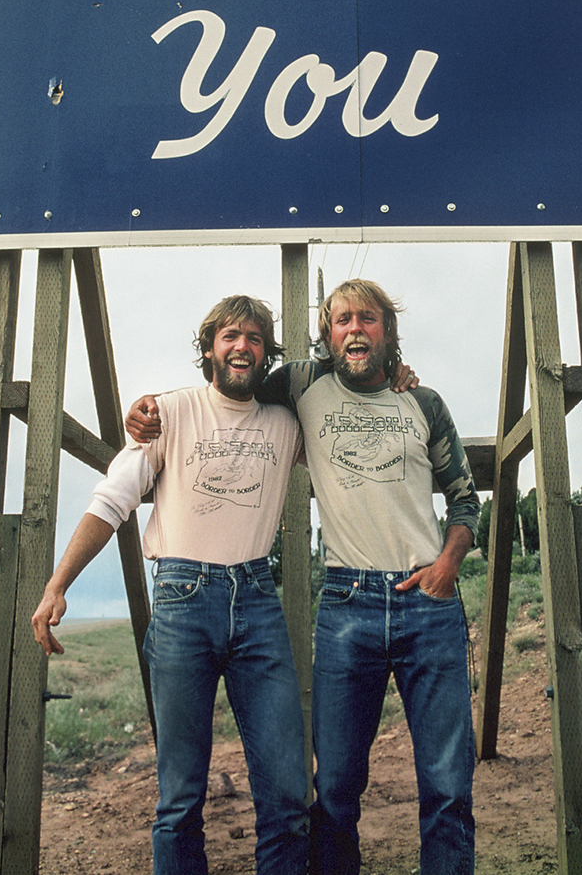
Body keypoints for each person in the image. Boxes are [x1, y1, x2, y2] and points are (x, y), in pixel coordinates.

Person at [126, 279, 480, 875]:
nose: (354, 328)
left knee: (448, 787)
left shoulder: (425, 403)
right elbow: (230, 381)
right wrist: (145, 409)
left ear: (387, 332)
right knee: (335, 787)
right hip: (348, 606)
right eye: (341, 319)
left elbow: (465, 500)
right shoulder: (303, 384)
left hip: (429, 603)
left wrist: (448, 564)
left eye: (367, 319)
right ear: (327, 335)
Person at [32, 296, 310, 875]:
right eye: (231, 335)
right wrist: (58, 583)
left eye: (256, 338)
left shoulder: (286, 424)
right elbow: (114, 499)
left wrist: (399, 376)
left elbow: (345, 405)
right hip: (184, 600)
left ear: (266, 354)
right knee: (180, 798)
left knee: (287, 793)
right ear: (209, 347)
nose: (242, 346)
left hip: (257, 598)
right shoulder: (171, 412)